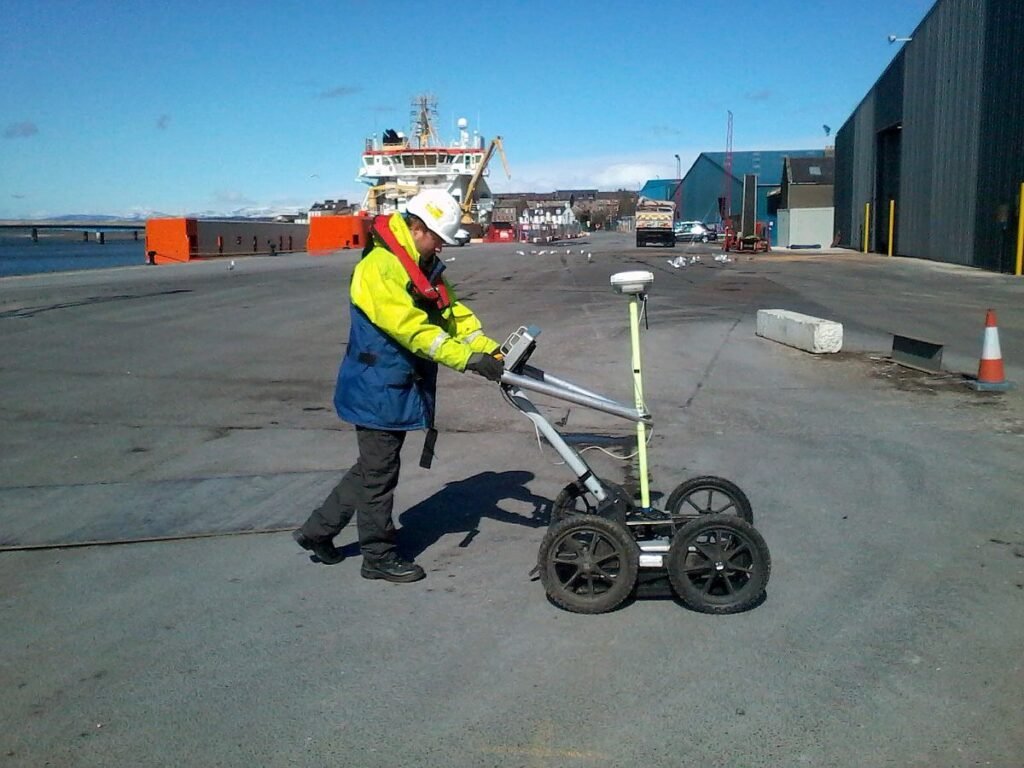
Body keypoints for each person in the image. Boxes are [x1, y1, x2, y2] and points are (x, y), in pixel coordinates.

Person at [292, 190, 505, 582]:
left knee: (373, 466)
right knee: (380, 473)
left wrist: (492, 350)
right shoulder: (379, 268)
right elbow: (411, 328)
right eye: (438, 238)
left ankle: (317, 531)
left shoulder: (421, 266)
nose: (441, 246)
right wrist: (466, 359)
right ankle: (377, 556)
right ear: (417, 228)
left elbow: (453, 316)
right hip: (375, 385)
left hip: (396, 385)